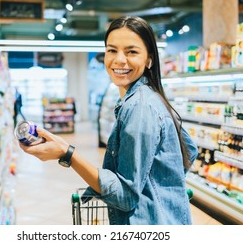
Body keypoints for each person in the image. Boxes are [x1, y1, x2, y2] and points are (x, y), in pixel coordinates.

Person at [18, 16, 198, 225]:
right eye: (112, 50)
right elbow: (189, 151)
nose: (119, 60)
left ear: (149, 59)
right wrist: (156, 182)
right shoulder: (150, 97)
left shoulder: (140, 107)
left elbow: (125, 196)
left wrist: (67, 153)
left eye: (131, 51)